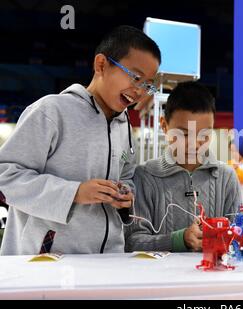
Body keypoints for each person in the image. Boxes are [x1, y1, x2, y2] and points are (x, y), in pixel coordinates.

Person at [0, 25, 161, 255]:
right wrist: (74, 192)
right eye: (135, 77)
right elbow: (5, 175)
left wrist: (125, 193)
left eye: (147, 84)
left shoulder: (124, 126)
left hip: (107, 261)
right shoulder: (52, 111)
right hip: (48, 261)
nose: (139, 91)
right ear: (101, 65)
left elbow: (126, 176)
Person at [125, 81, 242, 252]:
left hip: (212, 276)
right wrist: (180, 239)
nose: (194, 144)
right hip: (161, 277)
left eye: (204, 135)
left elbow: (238, 235)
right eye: (184, 134)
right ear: (164, 125)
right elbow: (132, 242)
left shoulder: (226, 177)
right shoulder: (145, 176)